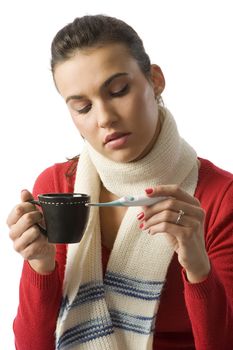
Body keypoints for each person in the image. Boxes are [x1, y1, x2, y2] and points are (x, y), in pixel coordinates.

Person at [7, 14, 233, 350]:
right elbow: (32, 346)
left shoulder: (220, 197)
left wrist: (197, 266)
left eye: (118, 91)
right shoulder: (57, 188)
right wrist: (40, 265)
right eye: (83, 107)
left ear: (155, 80)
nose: (105, 118)